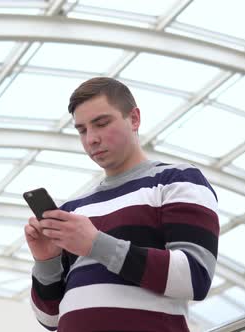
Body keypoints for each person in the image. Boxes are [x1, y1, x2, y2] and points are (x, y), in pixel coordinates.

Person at [24, 77, 219, 332]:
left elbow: (195, 277)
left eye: (102, 123)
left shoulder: (176, 179)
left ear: (134, 119)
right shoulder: (73, 208)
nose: (91, 138)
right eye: (82, 130)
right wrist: (46, 260)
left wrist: (96, 244)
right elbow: (49, 319)